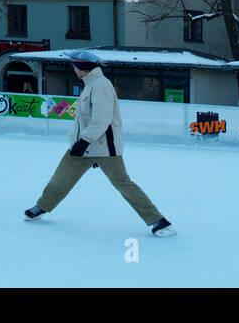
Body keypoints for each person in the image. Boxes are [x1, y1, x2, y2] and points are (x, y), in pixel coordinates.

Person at [24, 50, 175, 236]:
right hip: (83, 145)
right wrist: (80, 142)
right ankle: (42, 207)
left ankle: (160, 221)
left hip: (104, 147)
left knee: (123, 183)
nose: (72, 68)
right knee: (61, 177)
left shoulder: (101, 85)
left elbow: (101, 119)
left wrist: (85, 141)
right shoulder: (89, 85)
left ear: (82, 68)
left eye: (74, 64)